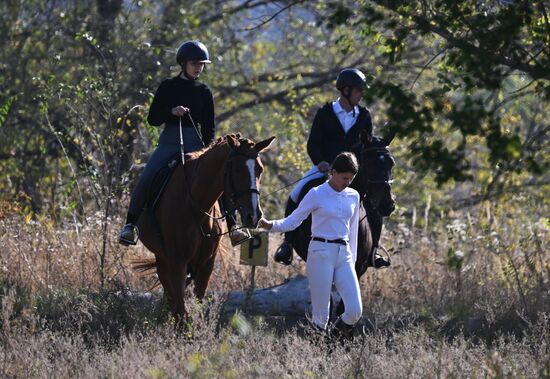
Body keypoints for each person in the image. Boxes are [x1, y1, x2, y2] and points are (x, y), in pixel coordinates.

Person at [118, 40, 249, 247]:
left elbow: (209, 127)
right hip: (170, 142)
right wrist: (172, 111)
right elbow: (153, 119)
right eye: (195, 63)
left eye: (202, 64)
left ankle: (233, 227)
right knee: (147, 176)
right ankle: (130, 225)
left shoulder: (204, 91)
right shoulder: (168, 87)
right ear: (183, 63)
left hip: (197, 144)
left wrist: (207, 150)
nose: (199, 68)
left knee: (219, 177)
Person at [275, 68, 389, 268]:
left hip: (354, 172)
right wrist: (320, 161)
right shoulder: (325, 113)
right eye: (358, 91)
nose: (362, 94)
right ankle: (288, 243)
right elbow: (313, 144)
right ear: (345, 90)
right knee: (296, 193)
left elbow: (367, 146)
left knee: (374, 201)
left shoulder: (364, 116)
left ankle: (374, 250)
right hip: (325, 167)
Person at [258, 152, 363, 337]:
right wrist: (271, 225)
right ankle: (317, 353)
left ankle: (333, 338)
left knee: (355, 310)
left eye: (351, 179)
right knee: (321, 316)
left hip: (344, 254)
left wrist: (352, 261)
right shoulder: (316, 193)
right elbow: (293, 221)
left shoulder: (354, 196)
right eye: (344, 178)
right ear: (333, 172)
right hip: (320, 252)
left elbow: (353, 231)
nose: (348, 182)